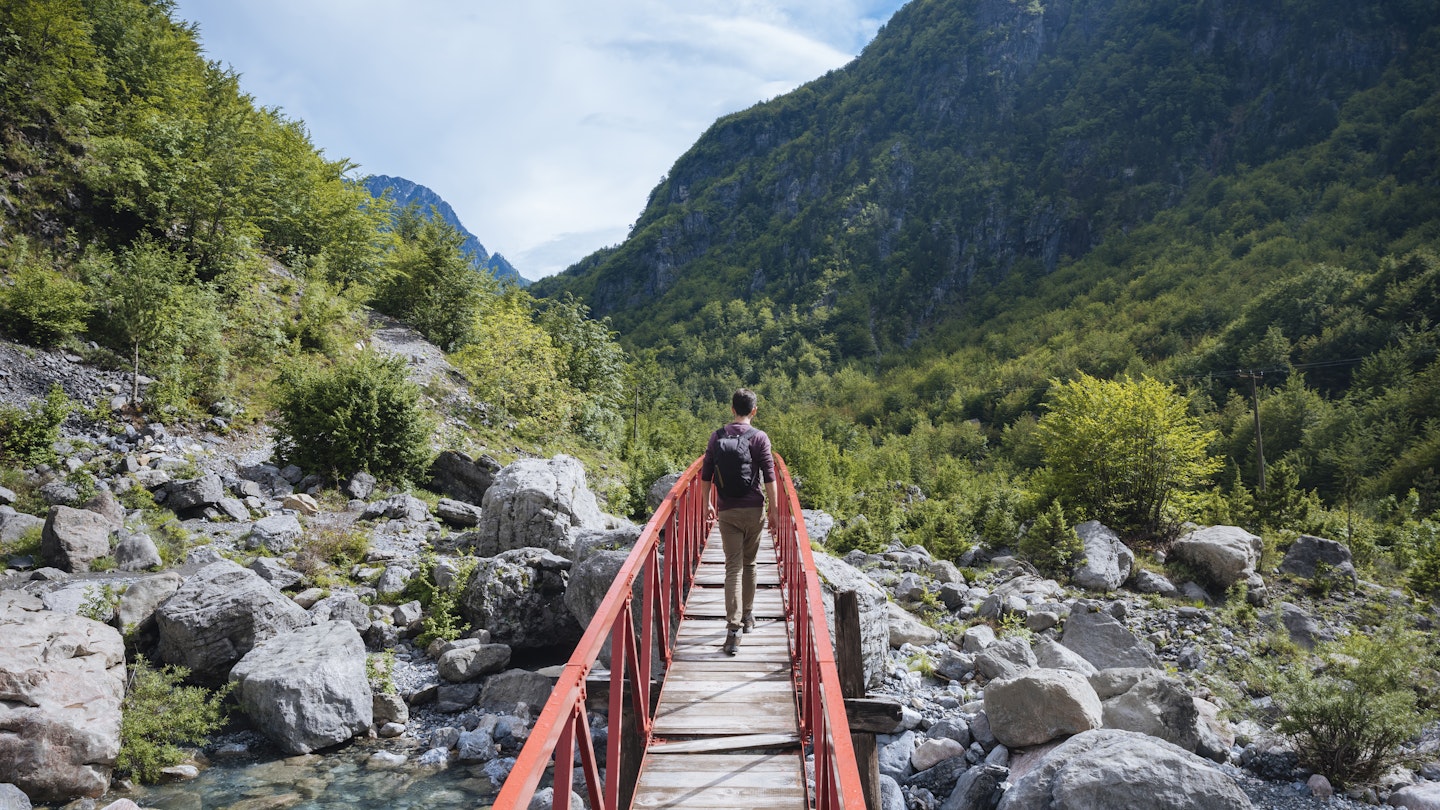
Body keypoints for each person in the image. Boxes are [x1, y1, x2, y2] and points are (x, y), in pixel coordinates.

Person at [700, 387, 778, 656]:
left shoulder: (717, 436)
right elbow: (769, 475)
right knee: (751, 563)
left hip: (727, 511)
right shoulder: (760, 438)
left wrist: (707, 502)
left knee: (732, 568)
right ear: (754, 411)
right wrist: (775, 510)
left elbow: (706, 473)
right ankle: (748, 616)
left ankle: (733, 631)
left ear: (732, 409)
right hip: (754, 509)